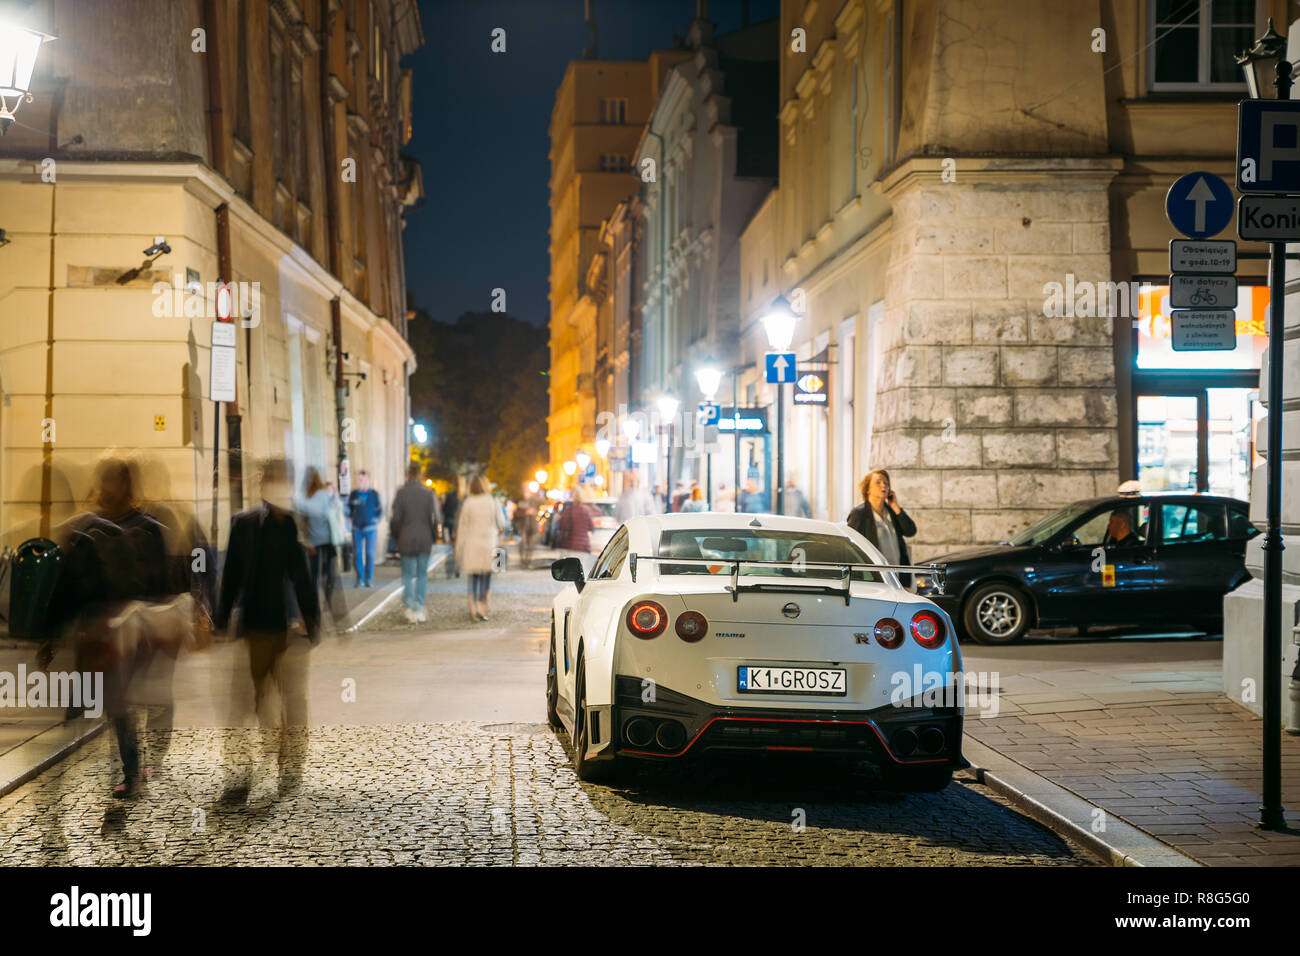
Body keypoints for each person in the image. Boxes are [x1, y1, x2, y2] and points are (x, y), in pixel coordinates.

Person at [41, 456, 171, 799]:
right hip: (92, 634)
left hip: (126, 634)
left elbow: (160, 584)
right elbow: (65, 585)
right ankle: (68, 782)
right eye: (105, 480)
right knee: (88, 706)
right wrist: (51, 634)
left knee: (116, 704)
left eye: (112, 480)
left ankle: (129, 773)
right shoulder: (86, 529)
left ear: (127, 484)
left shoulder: (147, 528)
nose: (106, 487)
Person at [214, 457, 320, 800]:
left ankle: (289, 768)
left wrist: (311, 619)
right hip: (254, 627)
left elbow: (304, 578)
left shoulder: (293, 524)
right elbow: (230, 575)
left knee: (292, 701)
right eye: (269, 479)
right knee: (247, 702)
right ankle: (240, 773)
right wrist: (221, 617)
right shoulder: (243, 524)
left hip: (287, 630)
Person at [847, 468, 918, 587]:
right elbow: (851, 547)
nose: (883, 485)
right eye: (878, 482)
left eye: (886, 483)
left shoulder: (892, 511)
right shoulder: (859, 513)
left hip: (898, 576)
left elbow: (910, 531)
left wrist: (895, 506)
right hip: (874, 577)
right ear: (868, 489)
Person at [390, 461, 442, 624]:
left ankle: (409, 607)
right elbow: (435, 519)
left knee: (407, 574)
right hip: (424, 538)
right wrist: (433, 536)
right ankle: (419, 607)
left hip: (405, 538)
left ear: (408, 474)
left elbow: (395, 519)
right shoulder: (428, 494)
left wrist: (396, 536)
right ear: (421, 475)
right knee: (421, 575)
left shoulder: (401, 493)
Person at [296, 467, 342, 619]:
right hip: (322, 540)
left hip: (317, 541)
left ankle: (319, 605)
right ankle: (323, 603)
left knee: (317, 574)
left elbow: (308, 513)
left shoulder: (309, 496)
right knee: (325, 573)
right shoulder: (320, 495)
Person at [454, 475, 503, 621]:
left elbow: (462, 527)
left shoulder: (468, 502)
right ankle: (483, 607)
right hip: (489, 543)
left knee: (474, 577)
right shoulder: (492, 501)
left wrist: (458, 549)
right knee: (486, 576)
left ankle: (473, 606)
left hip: (471, 543)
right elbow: (501, 522)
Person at [346, 469, 383, 588]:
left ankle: (369, 579)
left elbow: (380, 510)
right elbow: (349, 509)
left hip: (371, 528)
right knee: (357, 554)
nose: (361, 481)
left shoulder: (374, 494)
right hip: (357, 528)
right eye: (360, 479)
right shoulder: (354, 494)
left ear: (368, 480)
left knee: (370, 554)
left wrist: (376, 519)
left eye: (364, 479)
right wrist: (349, 516)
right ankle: (360, 578)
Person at [557, 487, 596, 575]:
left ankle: (571, 588)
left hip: (570, 546)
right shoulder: (587, 510)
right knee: (582, 571)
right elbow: (591, 527)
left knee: (570, 573)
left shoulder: (568, 511)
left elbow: (561, 526)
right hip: (583, 546)